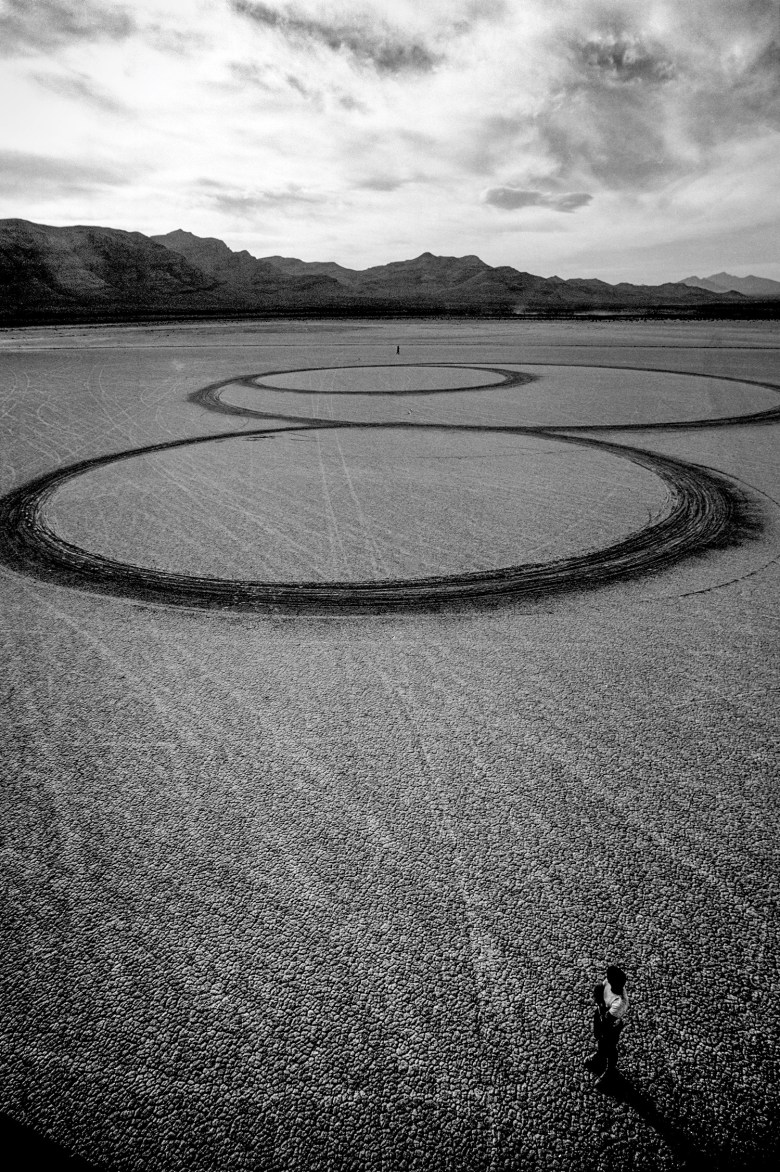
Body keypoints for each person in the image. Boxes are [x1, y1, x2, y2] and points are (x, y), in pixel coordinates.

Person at [584, 965, 629, 1087]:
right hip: (601, 1015)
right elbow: (600, 990)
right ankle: (600, 1055)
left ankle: (610, 1070)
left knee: (610, 1047)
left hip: (611, 1026)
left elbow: (607, 1020)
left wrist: (599, 1002)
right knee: (599, 1037)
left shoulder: (620, 1003)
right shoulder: (608, 982)